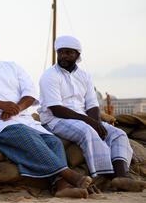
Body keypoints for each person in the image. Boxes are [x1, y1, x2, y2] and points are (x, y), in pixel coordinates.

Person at [0, 31, 92, 198]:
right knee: (25, 136)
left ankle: (60, 187)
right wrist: (2, 105)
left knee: (53, 142)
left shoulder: (13, 67)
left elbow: (30, 93)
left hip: (22, 118)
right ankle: (70, 176)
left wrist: (17, 108)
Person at [38, 35, 145, 192]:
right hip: (55, 120)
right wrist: (91, 123)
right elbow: (56, 109)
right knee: (88, 132)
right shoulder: (49, 76)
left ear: (78, 55)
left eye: (69, 52)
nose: (63, 56)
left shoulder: (84, 76)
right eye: (61, 52)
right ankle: (107, 177)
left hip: (82, 118)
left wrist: (97, 123)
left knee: (118, 134)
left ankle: (122, 176)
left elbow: (92, 104)